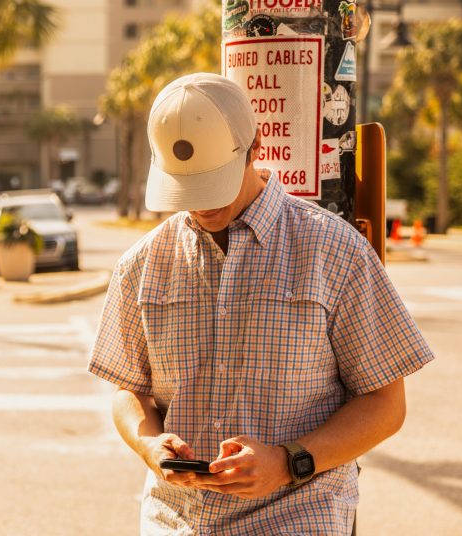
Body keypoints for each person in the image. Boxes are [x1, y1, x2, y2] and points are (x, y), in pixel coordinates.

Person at [88, 72, 434, 534]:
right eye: (186, 188)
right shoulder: (142, 263)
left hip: (297, 516)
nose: (201, 206)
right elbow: (128, 388)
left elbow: (386, 404)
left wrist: (288, 462)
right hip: (175, 519)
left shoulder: (334, 250)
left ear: (255, 148)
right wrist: (149, 443)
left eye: (214, 182)